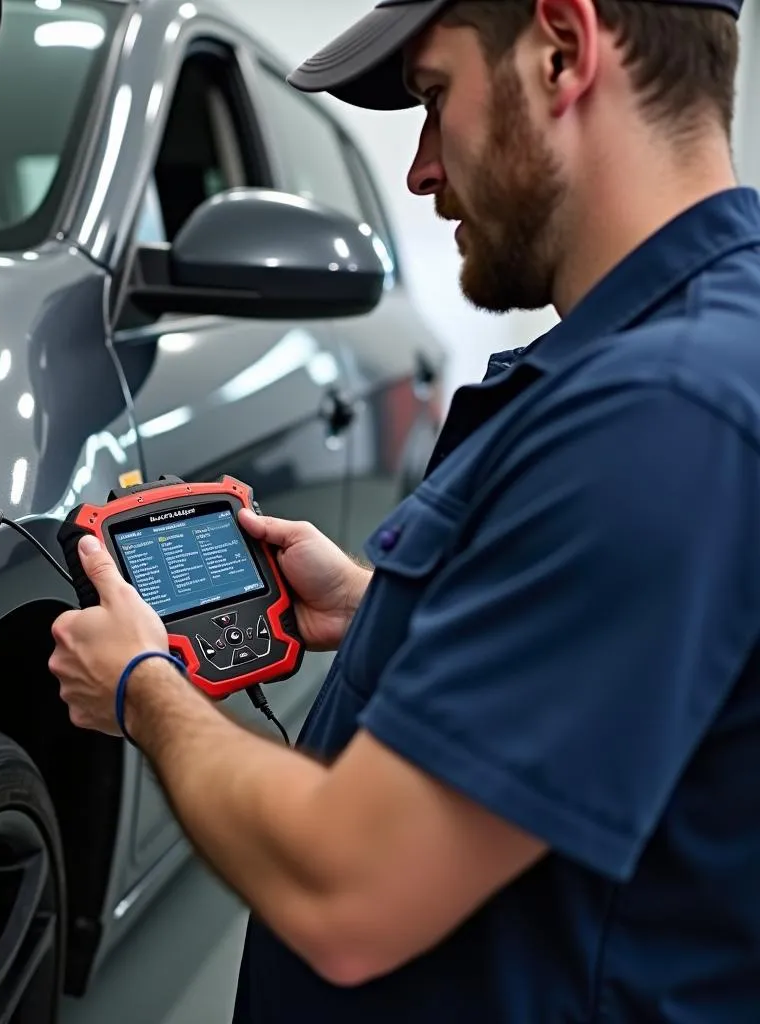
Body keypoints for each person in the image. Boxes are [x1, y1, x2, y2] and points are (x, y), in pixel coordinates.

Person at [48, 0, 760, 1018]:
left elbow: (347, 888)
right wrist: (386, 602)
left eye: (434, 97)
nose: (421, 169)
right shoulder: (689, 354)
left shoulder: (661, 414)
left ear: (562, 50)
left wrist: (143, 691)